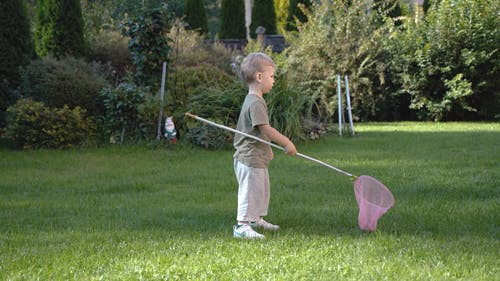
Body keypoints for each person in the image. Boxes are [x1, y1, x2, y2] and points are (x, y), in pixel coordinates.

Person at [233, 52, 297, 239]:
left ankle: (255, 219)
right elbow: (265, 129)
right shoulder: (255, 102)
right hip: (249, 157)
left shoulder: (256, 100)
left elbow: (258, 133)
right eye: (271, 76)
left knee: (261, 190)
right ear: (259, 77)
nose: (274, 80)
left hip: (257, 156)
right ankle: (242, 226)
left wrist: (268, 149)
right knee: (250, 191)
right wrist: (286, 142)